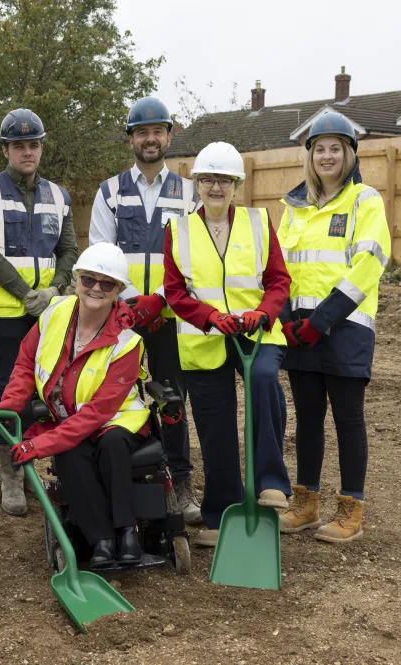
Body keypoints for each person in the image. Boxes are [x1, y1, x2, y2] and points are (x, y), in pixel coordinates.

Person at [163, 141, 292, 548]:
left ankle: (271, 480)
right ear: (197, 185)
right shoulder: (178, 230)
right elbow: (174, 291)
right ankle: (221, 511)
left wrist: (264, 313)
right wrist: (209, 317)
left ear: (237, 185)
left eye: (223, 180)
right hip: (205, 340)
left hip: (256, 331)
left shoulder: (258, 222)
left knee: (264, 379)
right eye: (207, 180)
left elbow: (278, 281)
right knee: (214, 427)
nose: (214, 187)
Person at [0, 243, 150, 568]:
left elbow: (98, 413)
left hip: (116, 420)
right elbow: (26, 362)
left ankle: (127, 532)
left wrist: (40, 442)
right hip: (66, 418)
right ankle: (101, 539)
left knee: (111, 445)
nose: (96, 288)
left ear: (118, 290)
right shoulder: (55, 312)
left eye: (106, 283)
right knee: (69, 454)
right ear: (77, 280)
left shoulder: (126, 341)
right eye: (89, 280)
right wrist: (10, 405)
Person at [276, 112, 391, 543]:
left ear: (349, 154)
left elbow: (369, 264)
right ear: (310, 155)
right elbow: (280, 266)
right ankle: (306, 504)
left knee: (347, 419)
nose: (327, 156)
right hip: (299, 330)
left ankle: (351, 509)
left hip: (344, 328)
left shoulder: (365, 200)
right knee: (306, 418)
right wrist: (288, 318)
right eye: (319, 148)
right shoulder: (294, 207)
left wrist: (322, 320)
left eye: (335, 148)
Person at [89, 96, 201, 525]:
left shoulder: (189, 193)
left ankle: (181, 484)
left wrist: (164, 301)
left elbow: (197, 257)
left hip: (174, 318)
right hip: (124, 317)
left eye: (157, 131)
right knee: (119, 395)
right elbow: (102, 252)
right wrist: (137, 301)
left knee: (172, 399)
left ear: (169, 136)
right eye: (141, 132)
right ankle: (126, 479)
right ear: (131, 140)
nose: (149, 138)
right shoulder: (110, 191)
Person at [0, 109, 78, 517]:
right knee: (9, 386)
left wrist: (54, 289)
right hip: (6, 311)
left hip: (48, 308)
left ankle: (33, 457)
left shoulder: (58, 195)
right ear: (6, 150)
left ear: (41, 147)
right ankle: (11, 472)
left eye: (33, 145)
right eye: (19, 146)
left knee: (47, 386)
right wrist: (25, 292)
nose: (27, 152)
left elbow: (68, 249)